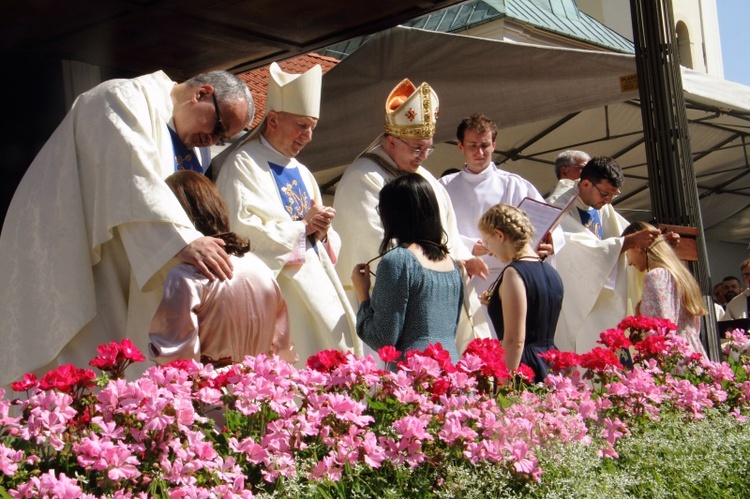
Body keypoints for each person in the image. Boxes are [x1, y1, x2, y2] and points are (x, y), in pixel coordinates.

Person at [0, 70, 254, 385]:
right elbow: (132, 176)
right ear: (202, 93)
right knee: (80, 361)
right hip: (74, 250)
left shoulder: (195, 145)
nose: (212, 140)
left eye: (223, 138)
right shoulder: (122, 98)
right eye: (216, 127)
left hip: (132, 260)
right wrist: (181, 240)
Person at [215, 63, 360, 364]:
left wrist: (322, 230)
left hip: (317, 285)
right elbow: (240, 230)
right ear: (273, 120)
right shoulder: (243, 163)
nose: (307, 136)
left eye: (312, 128)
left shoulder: (303, 172)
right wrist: (301, 229)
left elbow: (317, 236)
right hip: (278, 293)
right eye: (301, 125)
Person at [333, 79, 491, 356]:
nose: (423, 156)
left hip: (431, 298)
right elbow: (374, 240)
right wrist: (429, 270)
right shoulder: (363, 178)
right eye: (416, 148)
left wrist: (463, 257)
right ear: (392, 141)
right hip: (385, 301)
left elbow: (446, 233)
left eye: (428, 148)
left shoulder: (426, 179)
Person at [148, 171, 296, 367]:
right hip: (259, 389)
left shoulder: (186, 277)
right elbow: (280, 347)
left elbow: (176, 360)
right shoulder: (262, 269)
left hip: (210, 392)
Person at [439, 113, 563, 339]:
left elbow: (547, 224)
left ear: (494, 144)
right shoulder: (443, 187)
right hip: (462, 280)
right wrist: (466, 248)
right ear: (460, 146)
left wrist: (551, 242)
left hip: (510, 280)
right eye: (473, 145)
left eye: (485, 145)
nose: (480, 152)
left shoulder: (514, 184)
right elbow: (435, 230)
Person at [546, 157, 660, 354]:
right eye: (605, 194)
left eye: (612, 196)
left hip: (604, 292)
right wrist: (628, 242)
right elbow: (570, 247)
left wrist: (657, 241)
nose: (608, 201)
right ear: (586, 183)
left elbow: (624, 231)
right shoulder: (558, 206)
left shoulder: (601, 204)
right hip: (577, 296)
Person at [351, 174, 463, 367]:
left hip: (414, 376)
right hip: (451, 371)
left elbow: (382, 338)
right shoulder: (451, 263)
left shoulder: (398, 261)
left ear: (395, 214)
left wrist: (362, 295)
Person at [478, 204, 563, 382]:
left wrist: (504, 387)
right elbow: (537, 312)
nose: (489, 250)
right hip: (551, 364)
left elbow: (514, 340)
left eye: (487, 242)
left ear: (499, 235)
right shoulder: (551, 272)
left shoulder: (513, 273)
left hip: (525, 366)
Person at [623, 221, 707, 356]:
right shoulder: (681, 274)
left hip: (673, 358)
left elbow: (661, 330)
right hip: (693, 352)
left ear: (637, 247)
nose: (629, 262)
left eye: (627, 255)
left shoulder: (655, 276)